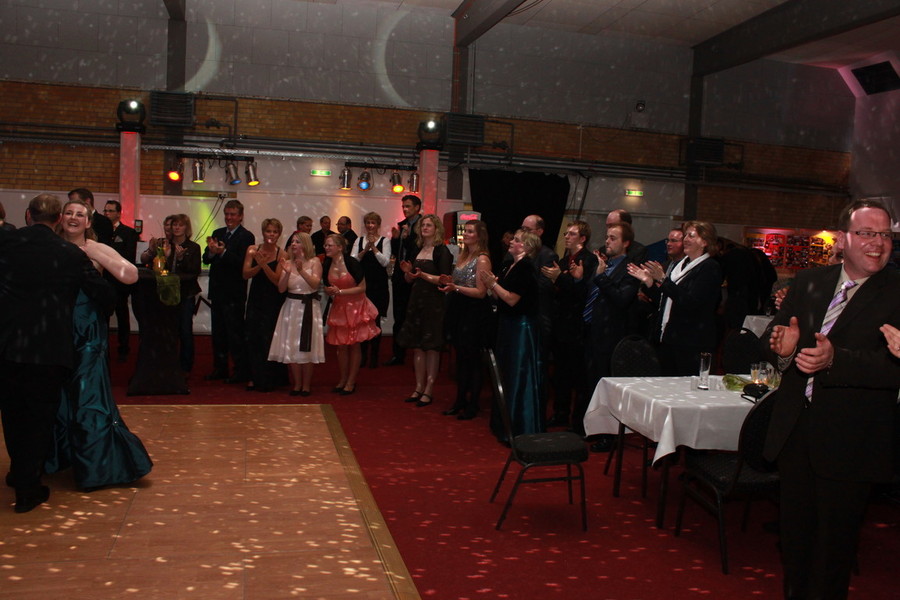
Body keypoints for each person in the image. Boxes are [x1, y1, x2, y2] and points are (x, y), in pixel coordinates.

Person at [761, 199, 900, 600]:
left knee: (833, 550)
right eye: (867, 233)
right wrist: (784, 349)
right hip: (795, 431)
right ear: (842, 239)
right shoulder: (810, 281)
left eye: (885, 235)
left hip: (852, 439)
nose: (878, 243)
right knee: (795, 540)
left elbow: (892, 367)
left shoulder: (897, 290)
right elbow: (773, 338)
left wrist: (835, 359)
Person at [0, 193, 112, 512]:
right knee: (39, 418)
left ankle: (18, 472)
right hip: (48, 349)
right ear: (59, 219)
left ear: (28, 215)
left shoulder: (6, 244)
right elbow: (104, 295)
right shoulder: (69, 253)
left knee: (12, 413)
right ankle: (28, 487)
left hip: (7, 344)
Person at [46, 198, 152, 491]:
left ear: (88, 222)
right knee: (58, 395)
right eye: (69, 213)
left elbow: (130, 275)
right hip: (56, 330)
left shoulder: (94, 247)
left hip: (87, 331)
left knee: (87, 395)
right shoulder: (50, 246)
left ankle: (97, 466)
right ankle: (61, 458)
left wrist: (94, 255)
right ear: (60, 217)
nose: (73, 218)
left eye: (80, 214)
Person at [629, 221, 723, 376]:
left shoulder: (709, 267)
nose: (686, 239)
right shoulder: (680, 265)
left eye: (691, 236)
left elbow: (691, 303)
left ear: (705, 242)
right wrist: (649, 282)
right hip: (669, 338)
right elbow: (664, 300)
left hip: (692, 341)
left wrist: (663, 280)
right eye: (685, 235)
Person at [578, 222, 639, 446]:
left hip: (611, 335)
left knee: (608, 386)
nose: (607, 241)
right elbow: (588, 295)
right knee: (590, 383)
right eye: (606, 237)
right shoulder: (603, 264)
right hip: (591, 330)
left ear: (626, 243)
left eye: (613, 238)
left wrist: (601, 277)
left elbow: (621, 299)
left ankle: (609, 436)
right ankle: (592, 428)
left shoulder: (630, 269)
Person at [480, 229, 544, 440]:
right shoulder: (510, 265)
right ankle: (505, 425)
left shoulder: (526, 268)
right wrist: (492, 286)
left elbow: (512, 299)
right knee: (506, 374)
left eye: (516, 240)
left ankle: (519, 427)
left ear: (526, 246)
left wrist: (493, 284)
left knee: (518, 374)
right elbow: (500, 297)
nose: (511, 242)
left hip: (521, 329)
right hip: (508, 325)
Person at [541, 220, 598, 430]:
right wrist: (556, 281)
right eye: (566, 233)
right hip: (561, 325)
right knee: (560, 375)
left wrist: (560, 279)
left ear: (583, 238)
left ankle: (578, 421)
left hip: (577, 327)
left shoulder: (589, 260)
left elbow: (583, 294)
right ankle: (560, 413)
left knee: (578, 377)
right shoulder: (564, 260)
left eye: (572, 234)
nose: (566, 237)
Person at [396, 214, 453, 407]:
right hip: (416, 300)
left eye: (429, 225)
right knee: (417, 346)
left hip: (434, 303)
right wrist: (408, 273)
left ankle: (429, 388)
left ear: (437, 229)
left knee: (432, 347)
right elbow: (410, 279)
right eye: (423, 225)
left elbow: (444, 280)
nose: (425, 228)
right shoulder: (417, 249)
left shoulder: (442, 251)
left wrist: (423, 275)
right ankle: (418, 387)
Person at [438, 220, 492, 420]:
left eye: (470, 231)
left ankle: (473, 404)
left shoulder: (482, 259)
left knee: (473, 360)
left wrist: (456, 288)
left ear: (479, 235)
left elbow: (481, 292)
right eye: (465, 231)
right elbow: (459, 283)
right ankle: (460, 400)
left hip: (474, 313)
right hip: (459, 310)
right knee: (461, 359)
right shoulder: (463, 255)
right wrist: (450, 283)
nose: (465, 234)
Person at [203, 200, 255, 383]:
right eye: (226, 214)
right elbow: (206, 258)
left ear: (240, 216)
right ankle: (220, 368)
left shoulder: (246, 237)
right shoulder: (218, 233)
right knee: (218, 334)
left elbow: (242, 263)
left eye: (232, 214)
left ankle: (240, 370)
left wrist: (223, 253)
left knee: (235, 334)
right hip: (217, 292)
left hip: (234, 294)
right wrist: (212, 252)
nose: (229, 217)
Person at [323, 234, 380, 395]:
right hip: (339, 307)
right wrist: (329, 291)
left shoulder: (352, 263)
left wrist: (340, 291)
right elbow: (326, 286)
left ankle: (351, 381)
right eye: (325, 245)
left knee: (354, 344)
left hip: (356, 306)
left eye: (329, 245)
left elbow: (362, 287)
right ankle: (342, 379)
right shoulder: (327, 263)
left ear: (340, 247)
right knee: (341, 346)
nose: (326, 248)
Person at [268, 232, 324, 396]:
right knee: (292, 345)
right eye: (292, 241)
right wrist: (286, 273)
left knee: (307, 347)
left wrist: (301, 271)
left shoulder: (315, 262)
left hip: (308, 307)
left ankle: (306, 385)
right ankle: (297, 384)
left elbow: (314, 284)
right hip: (291, 307)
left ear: (305, 244)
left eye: (297, 242)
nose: (293, 244)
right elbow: (281, 289)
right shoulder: (287, 263)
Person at [242, 219, 286, 393]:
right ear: (263, 232)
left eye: (275, 232)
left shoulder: (282, 254)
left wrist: (263, 265)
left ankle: (269, 378)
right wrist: (258, 266)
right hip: (256, 298)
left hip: (273, 300)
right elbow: (245, 274)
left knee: (269, 337)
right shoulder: (252, 250)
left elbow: (277, 280)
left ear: (279, 234)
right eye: (268, 231)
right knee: (253, 337)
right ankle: (253, 376)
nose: (271, 235)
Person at [385, 194, 422, 366]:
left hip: (417, 276)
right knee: (399, 317)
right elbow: (396, 252)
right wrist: (395, 239)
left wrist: (406, 238)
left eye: (408, 206)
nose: (405, 209)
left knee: (415, 317)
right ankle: (398, 354)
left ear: (417, 207)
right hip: (400, 277)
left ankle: (418, 355)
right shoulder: (402, 225)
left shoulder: (424, 225)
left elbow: (417, 250)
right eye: (403, 207)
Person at [351, 212, 390, 369]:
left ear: (378, 225)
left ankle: (374, 355)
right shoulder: (359, 240)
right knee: (362, 321)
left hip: (378, 286)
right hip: (363, 286)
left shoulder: (385, 241)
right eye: (368, 222)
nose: (370, 225)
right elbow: (353, 260)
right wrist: (364, 249)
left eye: (373, 223)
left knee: (376, 321)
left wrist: (373, 248)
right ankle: (363, 355)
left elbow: (385, 262)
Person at [102, 200, 139, 361]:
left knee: (122, 315)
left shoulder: (128, 232)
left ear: (118, 213)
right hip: (103, 281)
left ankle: (123, 347)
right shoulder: (100, 231)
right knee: (103, 316)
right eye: (105, 211)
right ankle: (103, 347)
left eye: (110, 211)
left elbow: (129, 257)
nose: (107, 214)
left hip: (119, 281)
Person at [167, 214, 202, 374]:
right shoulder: (166, 245)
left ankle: (185, 366)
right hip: (167, 294)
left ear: (186, 228)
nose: (177, 227)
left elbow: (194, 271)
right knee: (169, 330)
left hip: (186, 294)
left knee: (185, 330)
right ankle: (169, 363)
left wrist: (181, 260)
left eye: (180, 225)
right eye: (174, 224)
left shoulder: (193, 247)